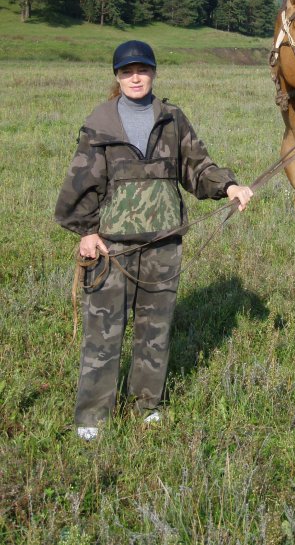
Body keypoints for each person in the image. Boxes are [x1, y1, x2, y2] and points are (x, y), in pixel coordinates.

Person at [55, 40, 253, 441]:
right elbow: (82, 182)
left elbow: (196, 166)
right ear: (117, 76)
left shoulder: (172, 118)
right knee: (104, 331)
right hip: (112, 248)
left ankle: (147, 404)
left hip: (164, 243)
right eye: (127, 71)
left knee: (155, 328)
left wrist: (229, 186)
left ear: (153, 73)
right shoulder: (100, 123)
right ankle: (92, 417)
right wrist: (87, 232)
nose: (135, 77)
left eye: (142, 70)